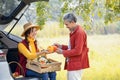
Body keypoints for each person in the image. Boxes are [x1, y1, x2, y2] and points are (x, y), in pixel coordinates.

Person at [54, 13, 89, 80]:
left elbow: (77, 51)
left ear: (72, 22)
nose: (66, 26)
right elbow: (72, 48)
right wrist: (61, 46)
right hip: (73, 63)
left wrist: (62, 52)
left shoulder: (79, 33)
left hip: (76, 64)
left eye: (67, 24)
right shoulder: (74, 32)